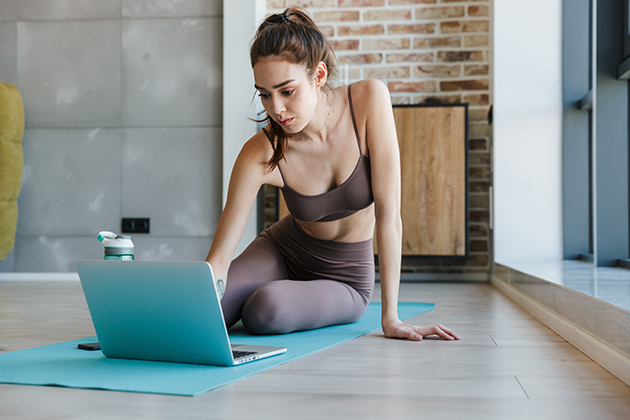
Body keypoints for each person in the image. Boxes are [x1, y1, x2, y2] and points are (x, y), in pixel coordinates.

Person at [205, 7, 460, 342]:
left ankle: (282, 295)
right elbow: (220, 257)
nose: (275, 108)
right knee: (207, 312)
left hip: (346, 278)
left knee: (264, 310)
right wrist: (205, 294)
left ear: (319, 75)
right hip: (281, 251)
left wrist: (391, 317)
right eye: (265, 94)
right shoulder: (262, 151)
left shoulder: (368, 101)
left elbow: (389, 217)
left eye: (287, 90)